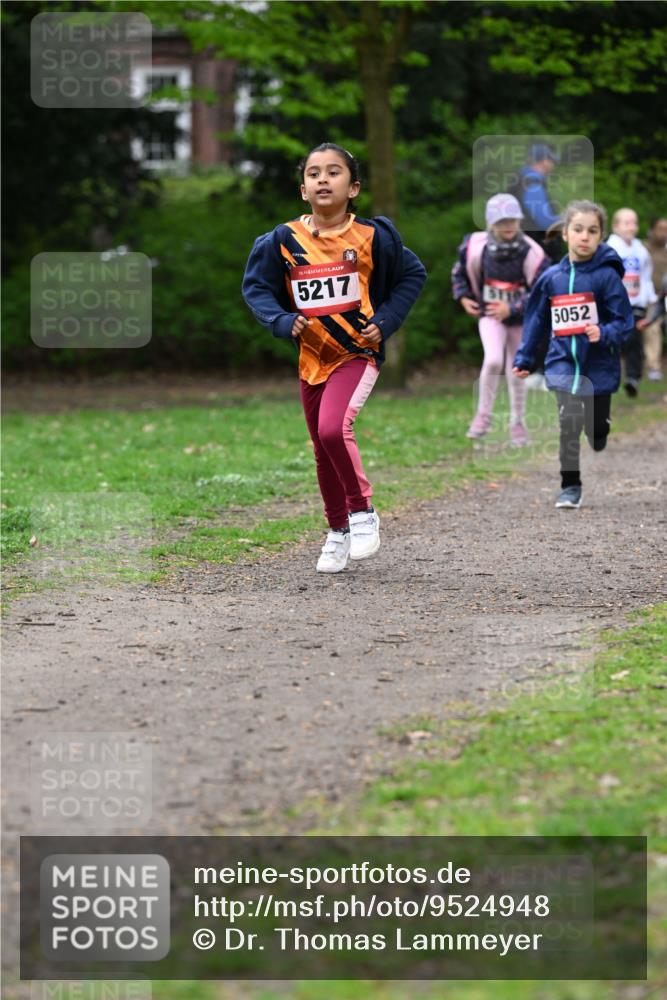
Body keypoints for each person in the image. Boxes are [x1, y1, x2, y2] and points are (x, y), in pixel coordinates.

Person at [242, 142, 426, 573]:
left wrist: (388, 319)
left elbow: (412, 274)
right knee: (322, 449)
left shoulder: (372, 236)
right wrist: (281, 320)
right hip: (312, 358)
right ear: (303, 189)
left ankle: (363, 511)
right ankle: (338, 530)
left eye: (334, 172)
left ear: (354, 187)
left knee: (332, 429)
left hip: (356, 352)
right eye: (313, 173)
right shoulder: (283, 240)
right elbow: (256, 289)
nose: (323, 179)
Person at [512, 199, 634, 509]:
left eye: (592, 231)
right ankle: (570, 486)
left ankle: (600, 427)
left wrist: (603, 332)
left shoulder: (607, 277)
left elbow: (625, 322)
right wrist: (525, 358)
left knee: (595, 430)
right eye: (578, 229)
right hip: (562, 361)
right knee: (569, 421)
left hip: (599, 364)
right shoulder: (551, 278)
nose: (585, 236)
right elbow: (536, 320)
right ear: (566, 233)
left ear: (600, 236)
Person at [452, 193, 548, 445]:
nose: (508, 226)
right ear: (491, 223)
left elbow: (541, 292)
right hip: (490, 314)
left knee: (517, 369)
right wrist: (463, 297)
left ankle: (518, 424)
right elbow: (459, 273)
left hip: (519, 317)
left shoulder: (532, 252)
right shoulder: (475, 246)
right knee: (493, 359)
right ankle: (482, 417)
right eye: (501, 221)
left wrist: (512, 307)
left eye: (512, 221)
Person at [606, 208, 657, 396]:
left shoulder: (640, 249)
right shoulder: (610, 248)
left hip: (635, 303)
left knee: (635, 339)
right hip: (614, 304)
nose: (631, 227)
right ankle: (610, 376)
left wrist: (649, 297)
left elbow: (645, 274)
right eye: (626, 223)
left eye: (634, 223)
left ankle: (632, 378)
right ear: (616, 226)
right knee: (616, 340)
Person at [509, 143, 561, 259]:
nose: (553, 165)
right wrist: (568, 220)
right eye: (551, 160)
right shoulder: (532, 182)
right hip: (536, 253)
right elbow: (545, 222)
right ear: (544, 161)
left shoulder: (522, 179)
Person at [642, 216, 667, 380]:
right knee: (653, 328)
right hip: (650, 298)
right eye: (661, 228)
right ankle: (653, 366)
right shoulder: (642, 248)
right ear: (652, 230)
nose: (664, 233)